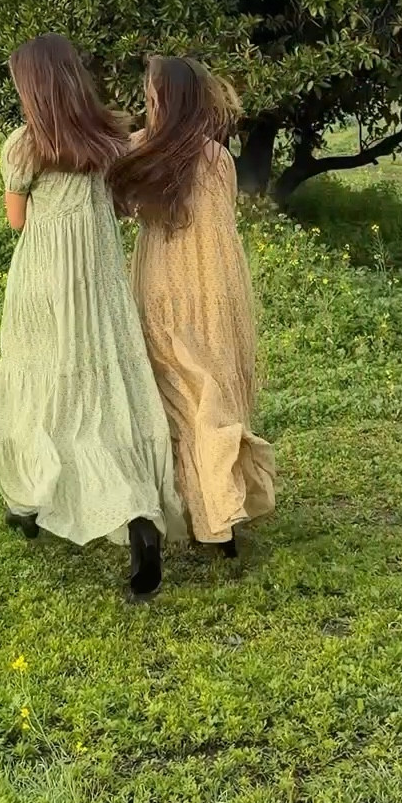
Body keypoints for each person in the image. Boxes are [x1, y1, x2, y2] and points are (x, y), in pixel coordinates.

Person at [0, 34, 185, 600]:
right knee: (105, 391)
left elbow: (17, 223)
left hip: (45, 283)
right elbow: (119, 203)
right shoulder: (110, 137)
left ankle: (26, 501)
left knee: (41, 385)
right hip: (100, 286)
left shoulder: (24, 146)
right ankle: (139, 518)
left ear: (33, 88)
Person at [108, 55, 275, 557]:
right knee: (212, 393)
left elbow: (118, 208)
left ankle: (194, 510)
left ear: (162, 99)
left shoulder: (138, 151)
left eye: (149, 93)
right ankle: (218, 517)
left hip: (160, 283)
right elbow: (223, 227)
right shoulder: (216, 157)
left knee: (173, 396)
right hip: (214, 285)